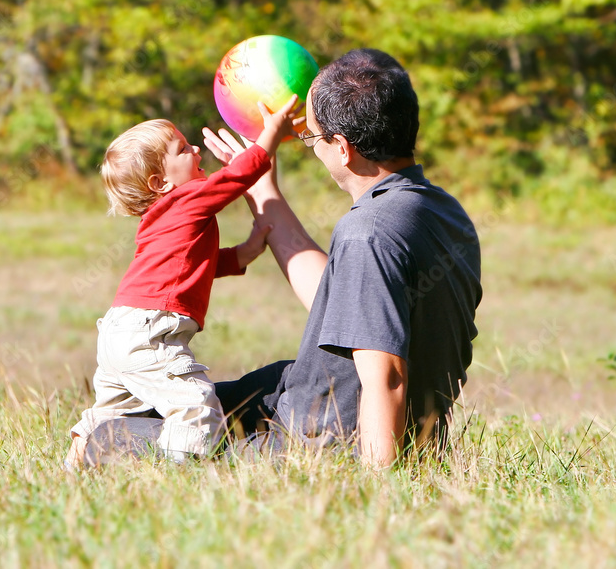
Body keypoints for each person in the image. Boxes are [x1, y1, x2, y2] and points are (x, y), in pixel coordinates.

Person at [203, 49, 482, 467]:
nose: (313, 148)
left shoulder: (367, 231)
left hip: (319, 442)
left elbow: (385, 379)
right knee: (171, 401)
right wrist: (262, 191)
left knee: (117, 433)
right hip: (317, 403)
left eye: (314, 138)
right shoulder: (440, 211)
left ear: (343, 148)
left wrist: (375, 492)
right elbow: (346, 302)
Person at [65, 100, 301, 468]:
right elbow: (236, 178)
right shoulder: (185, 198)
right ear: (161, 182)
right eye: (181, 149)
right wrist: (270, 133)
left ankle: (78, 457)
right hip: (148, 331)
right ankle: (182, 469)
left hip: (119, 329)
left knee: (114, 409)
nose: (194, 149)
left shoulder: (160, 217)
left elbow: (189, 264)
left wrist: (242, 254)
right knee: (195, 402)